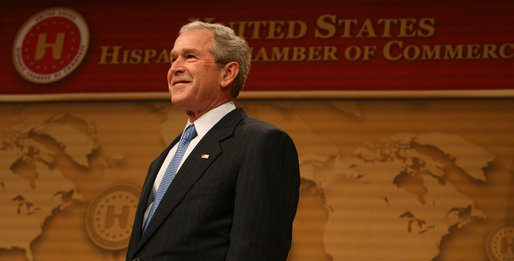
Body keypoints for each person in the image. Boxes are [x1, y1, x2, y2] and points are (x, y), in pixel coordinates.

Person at [126, 21, 300, 261]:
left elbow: (256, 251)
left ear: (227, 73)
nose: (175, 68)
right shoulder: (165, 158)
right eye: (173, 58)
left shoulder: (260, 144)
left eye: (190, 57)